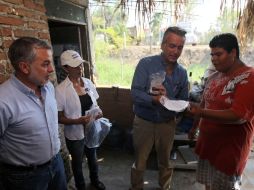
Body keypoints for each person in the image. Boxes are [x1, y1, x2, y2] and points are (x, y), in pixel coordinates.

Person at [188, 33, 254, 190]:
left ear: (233, 53)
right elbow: (205, 102)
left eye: (218, 54)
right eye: (212, 54)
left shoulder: (249, 77)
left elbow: (238, 115)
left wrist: (201, 112)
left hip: (229, 151)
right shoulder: (214, 76)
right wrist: (194, 127)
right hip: (208, 146)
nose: (213, 59)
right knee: (209, 185)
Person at [0, 37, 67, 190]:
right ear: (24, 67)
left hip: (56, 164)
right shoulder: (3, 101)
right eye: (45, 64)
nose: (51, 69)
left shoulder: (48, 87)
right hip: (25, 178)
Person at [130, 26, 189, 190]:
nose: (175, 51)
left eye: (180, 47)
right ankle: (136, 187)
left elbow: (183, 101)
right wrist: (153, 99)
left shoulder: (182, 73)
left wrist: (167, 99)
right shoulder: (146, 64)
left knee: (165, 161)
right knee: (140, 161)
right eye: (172, 45)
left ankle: (165, 187)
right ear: (162, 45)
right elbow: (135, 93)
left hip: (167, 123)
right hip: (144, 122)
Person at [55, 50, 105, 190]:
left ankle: (95, 181)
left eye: (81, 65)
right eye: (75, 66)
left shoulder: (88, 82)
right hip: (75, 134)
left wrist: (99, 112)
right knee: (77, 163)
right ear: (65, 68)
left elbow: (95, 104)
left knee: (93, 159)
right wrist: (77, 121)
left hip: (91, 129)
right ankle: (81, 186)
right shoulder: (61, 90)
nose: (80, 68)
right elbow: (59, 118)